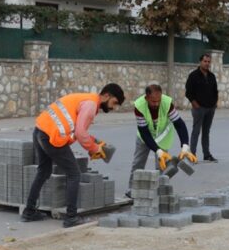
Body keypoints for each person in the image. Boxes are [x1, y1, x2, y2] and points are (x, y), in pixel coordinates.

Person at [21, 84, 125, 228]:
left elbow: (77, 128)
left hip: (40, 130)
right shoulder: (90, 106)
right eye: (114, 103)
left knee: (43, 171)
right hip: (52, 136)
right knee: (74, 174)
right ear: (106, 96)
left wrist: (94, 143)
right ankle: (71, 217)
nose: (114, 108)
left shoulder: (85, 99)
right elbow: (80, 133)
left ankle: (29, 211)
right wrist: (94, 148)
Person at [126, 84, 195, 197]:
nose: (156, 104)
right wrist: (157, 151)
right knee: (138, 162)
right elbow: (144, 132)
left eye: (159, 100)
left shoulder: (167, 103)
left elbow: (179, 124)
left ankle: (160, 191)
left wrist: (185, 146)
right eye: (153, 101)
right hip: (145, 137)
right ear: (146, 98)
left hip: (163, 136)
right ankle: (131, 189)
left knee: (162, 166)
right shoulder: (139, 106)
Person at [185, 54, 219, 162]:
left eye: (209, 62)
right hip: (199, 108)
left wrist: (214, 104)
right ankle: (192, 155)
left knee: (206, 132)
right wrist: (195, 103)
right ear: (200, 62)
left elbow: (215, 91)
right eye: (205, 61)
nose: (207, 63)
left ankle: (207, 155)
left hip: (210, 109)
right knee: (196, 131)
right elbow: (188, 92)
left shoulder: (212, 76)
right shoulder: (193, 76)